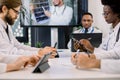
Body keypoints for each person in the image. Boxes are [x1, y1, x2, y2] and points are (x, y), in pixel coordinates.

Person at [71, 0, 120, 73]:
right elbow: (104, 50)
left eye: (107, 13)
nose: (105, 16)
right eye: (104, 13)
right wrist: (89, 49)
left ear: (117, 13)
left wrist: (90, 59)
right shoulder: (111, 30)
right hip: (107, 71)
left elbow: (117, 54)